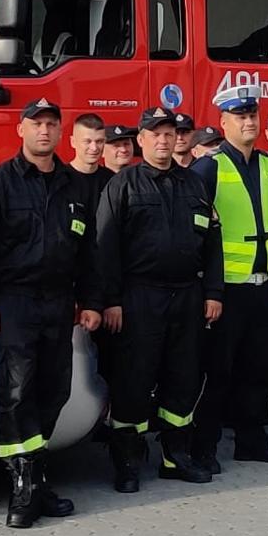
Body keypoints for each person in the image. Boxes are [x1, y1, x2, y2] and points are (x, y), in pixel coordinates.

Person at [0, 99, 102, 527]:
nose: (44, 131)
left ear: (60, 133)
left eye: (51, 125)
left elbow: (90, 251)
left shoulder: (73, 184)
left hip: (59, 304)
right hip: (15, 303)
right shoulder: (1, 183)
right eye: (36, 124)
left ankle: (37, 477)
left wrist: (93, 301)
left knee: (53, 390)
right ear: (20, 130)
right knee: (17, 392)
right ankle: (22, 489)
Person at [93, 106, 221, 491]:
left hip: (186, 295)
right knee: (134, 380)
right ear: (142, 140)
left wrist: (213, 291)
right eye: (156, 134)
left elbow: (213, 242)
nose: (165, 140)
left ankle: (175, 456)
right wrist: (111, 299)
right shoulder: (123, 185)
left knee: (182, 378)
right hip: (139, 297)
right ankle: (127, 461)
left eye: (171, 133)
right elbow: (105, 246)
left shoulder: (194, 184)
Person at [193, 82, 268, 468]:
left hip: (262, 287)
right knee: (217, 374)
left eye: (252, 115)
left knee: (258, 369)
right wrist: (208, 288)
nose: (249, 121)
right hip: (226, 292)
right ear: (224, 123)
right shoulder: (209, 167)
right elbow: (197, 232)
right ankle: (204, 447)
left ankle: (252, 441)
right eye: (240, 116)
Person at [70, 113, 112, 180]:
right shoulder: (58, 178)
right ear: (73, 142)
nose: (94, 148)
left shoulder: (112, 180)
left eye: (99, 141)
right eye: (87, 141)